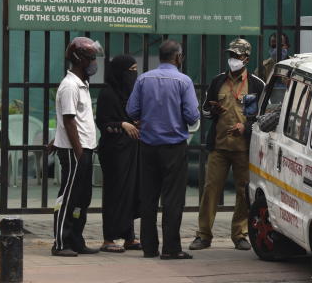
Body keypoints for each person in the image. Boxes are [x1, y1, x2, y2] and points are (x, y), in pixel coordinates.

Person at [126, 40, 200, 260]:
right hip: (174, 147)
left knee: (148, 197)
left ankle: (149, 247)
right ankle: (171, 248)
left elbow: (131, 110)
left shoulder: (143, 79)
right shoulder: (183, 81)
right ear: (178, 57)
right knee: (173, 199)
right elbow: (192, 116)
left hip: (148, 146)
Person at [190, 38, 265, 251]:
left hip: (243, 149)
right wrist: (213, 111)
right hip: (219, 148)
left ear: (246, 59)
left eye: (237, 56)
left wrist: (245, 126)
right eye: (231, 55)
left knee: (243, 193)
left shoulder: (257, 84)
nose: (233, 59)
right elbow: (204, 110)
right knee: (210, 190)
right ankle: (203, 235)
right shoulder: (218, 82)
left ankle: (239, 234)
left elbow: (263, 117)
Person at [51, 37, 103, 257]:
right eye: (91, 58)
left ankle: (76, 239)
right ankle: (61, 243)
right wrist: (79, 152)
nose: (94, 63)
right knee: (68, 197)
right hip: (75, 152)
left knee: (82, 199)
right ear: (79, 59)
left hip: (83, 149)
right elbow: (69, 120)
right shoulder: (70, 86)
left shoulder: (82, 84)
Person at [95, 54, 142, 253]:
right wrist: (121, 124)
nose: (134, 74)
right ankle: (109, 238)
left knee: (130, 192)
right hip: (114, 151)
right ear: (120, 72)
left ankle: (129, 237)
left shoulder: (131, 94)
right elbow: (103, 122)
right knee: (115, 193)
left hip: (131, 149)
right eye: (131, 70)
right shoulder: (107, 94)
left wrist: (136, 123)